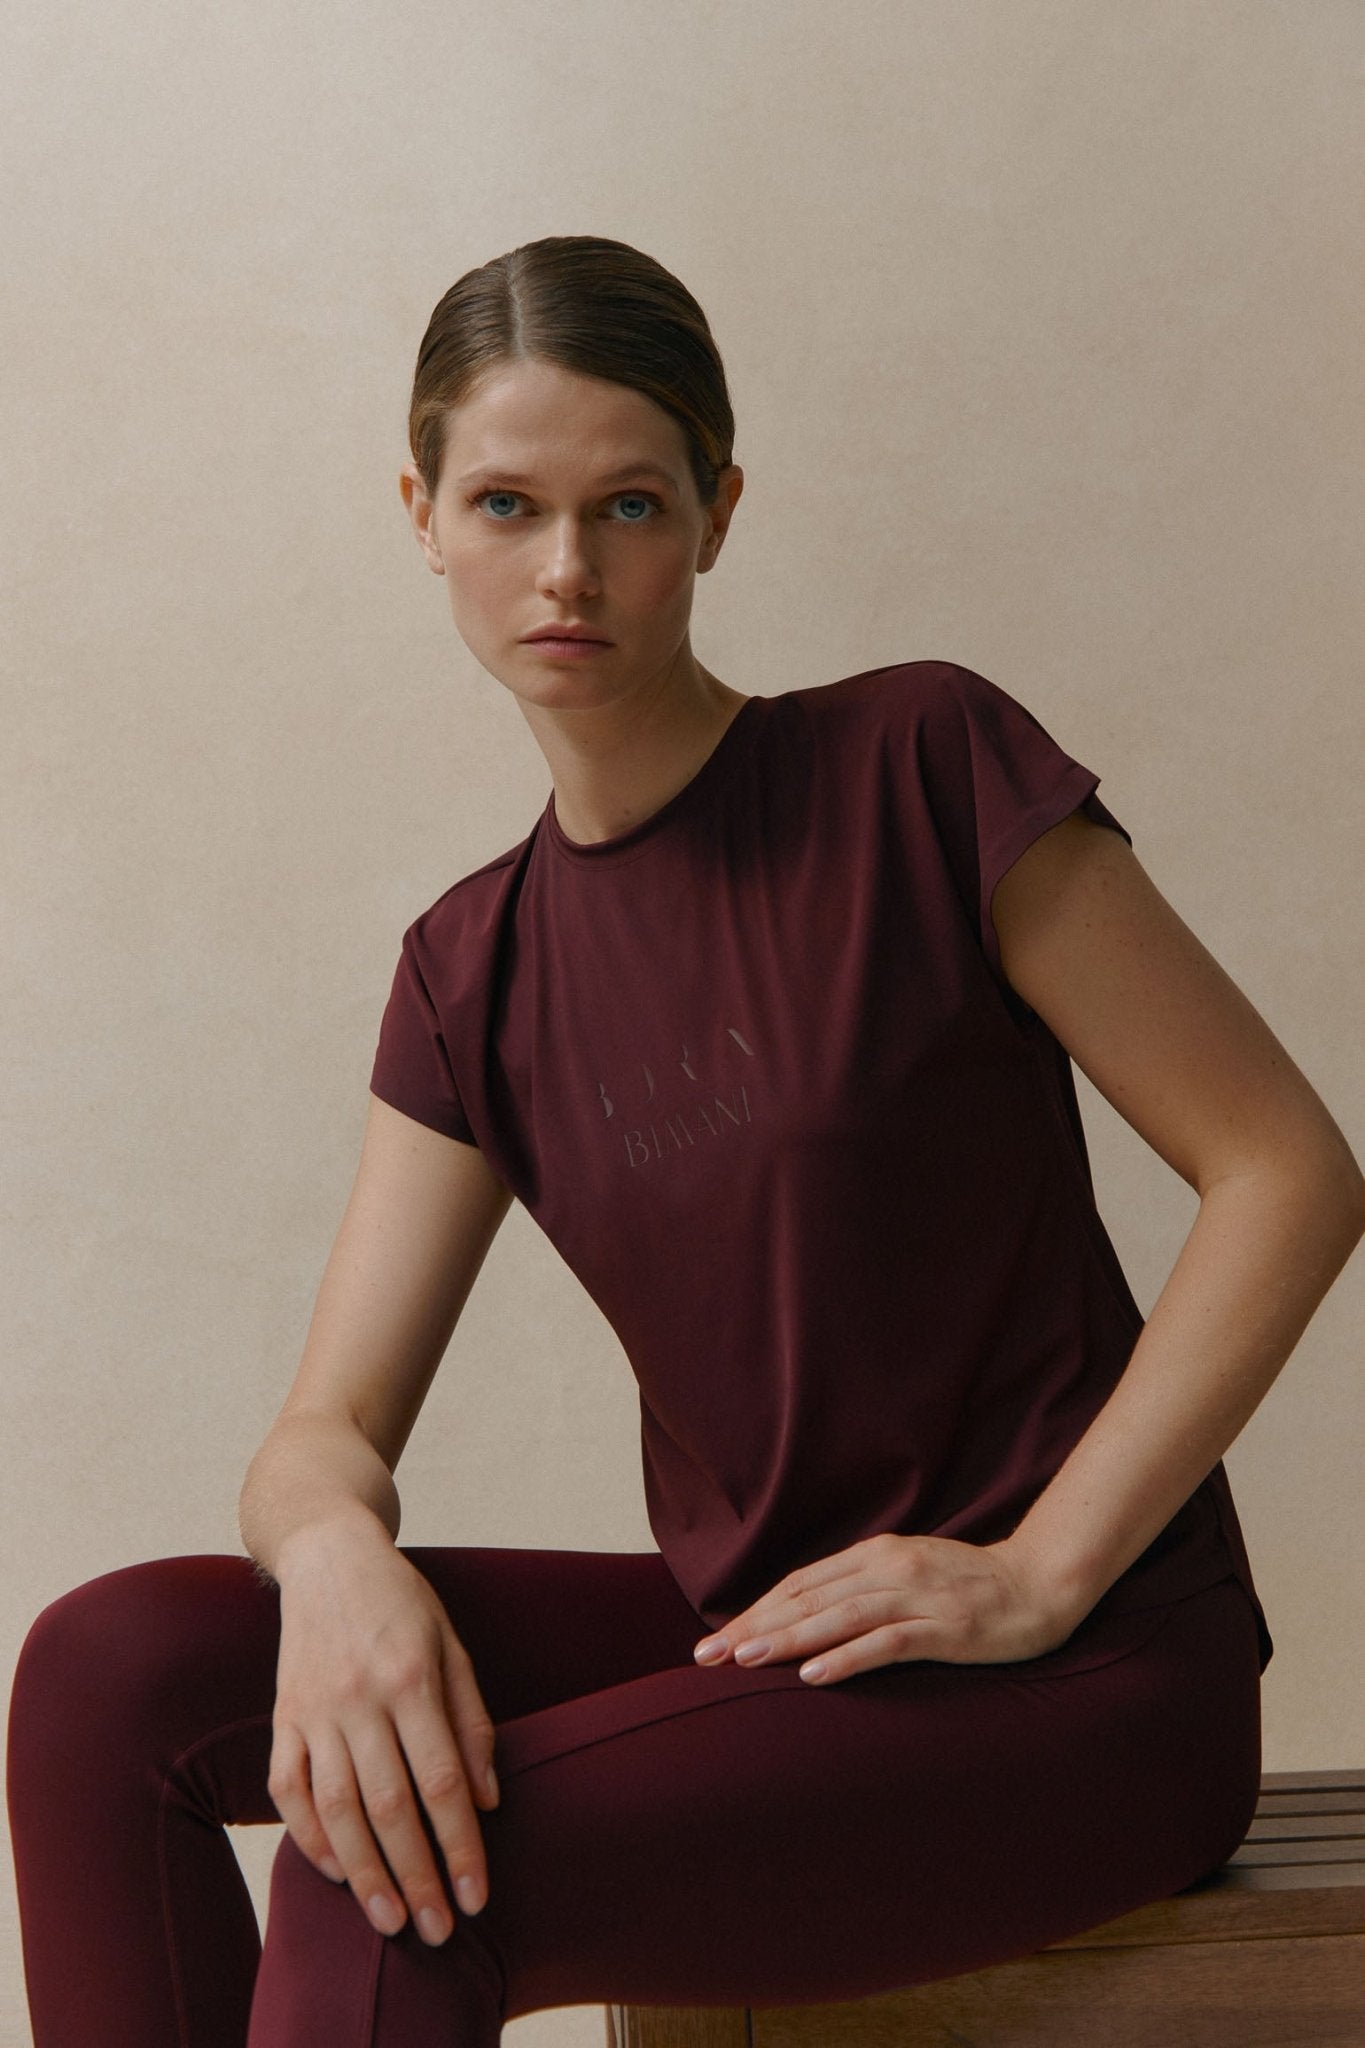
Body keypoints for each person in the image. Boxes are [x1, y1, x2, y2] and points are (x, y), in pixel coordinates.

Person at [8, 233, 1364, 2048]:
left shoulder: (917, 769)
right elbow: (322, 1433)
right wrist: (334, 1563)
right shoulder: (472, 969)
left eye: (629, 506)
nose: (565, 569)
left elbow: (1286, 1170)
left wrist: (1039, 1572)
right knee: (111, 1680)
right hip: (776, 1637)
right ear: (422, 517)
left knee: (387, 1885)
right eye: (506, 504)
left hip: (1084, 1676)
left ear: (717, 514)